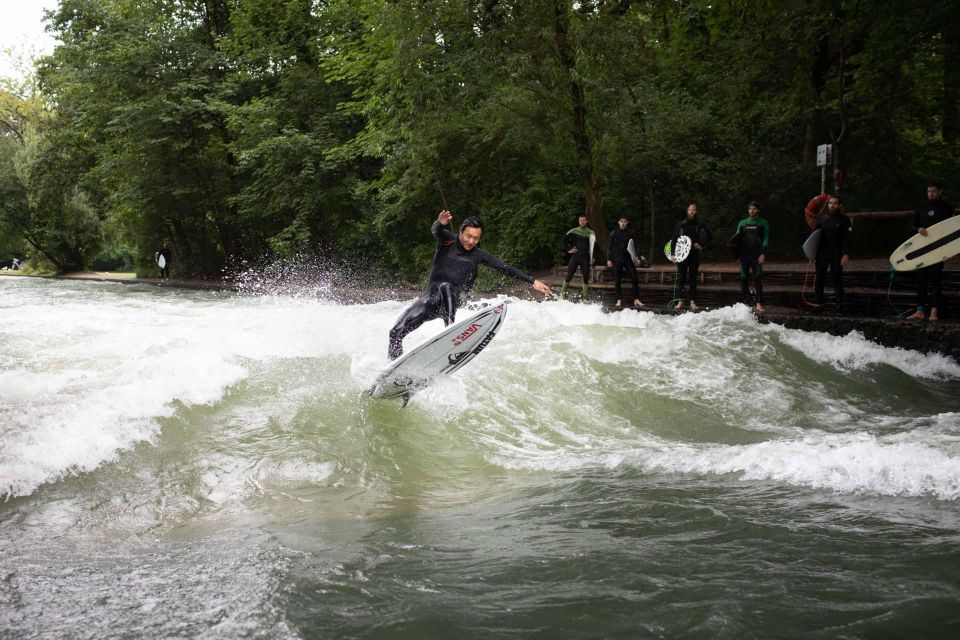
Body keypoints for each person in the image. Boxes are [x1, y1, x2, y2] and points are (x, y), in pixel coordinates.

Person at [387, 210, 552, 360]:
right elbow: (435, 230)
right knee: (395, 333)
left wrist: (532, 281)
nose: (471, 241)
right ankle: (392, 368)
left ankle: (450, 331)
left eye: (476, 238)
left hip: (449, 304)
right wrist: (440, 223)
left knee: (446, 286)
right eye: (468, 236)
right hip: (428, 301)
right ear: (460, 232)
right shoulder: (447, 241)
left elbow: (505, 268)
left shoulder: (478, 255)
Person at [907, 181, 955, 321]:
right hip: (922, 250)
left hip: (938, 251)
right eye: (928, 191)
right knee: (921, 280)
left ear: (940, 191)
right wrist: (918, 229)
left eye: (933, 191)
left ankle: (934, 312)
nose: (931, 194)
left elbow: (951, 234)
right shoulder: (921, 206)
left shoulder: (947, 209)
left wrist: (950, 252)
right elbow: (910, 227)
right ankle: (920, 311)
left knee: (936, 281)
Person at [670, 203, 712, 311]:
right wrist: (673, 255)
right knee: (681, 278)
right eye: (690, 210)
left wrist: (702, 245)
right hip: (682, 255)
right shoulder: (681, 224)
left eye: (694, 210)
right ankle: (680, 301)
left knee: (693, 278)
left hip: (694, 255)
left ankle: (692, 302)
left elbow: (710, 237)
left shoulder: (700, 224)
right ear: (687, 211)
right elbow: (674, 239)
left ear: (696, 211)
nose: (692, 211)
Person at [814, 195, 852, 311]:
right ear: (828, 204)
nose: (832, 205)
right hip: (822, 254)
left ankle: (839, 305)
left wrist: (846, 254)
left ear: (839, 205)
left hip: (837, 253)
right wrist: (811, 254)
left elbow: (849, 238)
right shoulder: (821, 219)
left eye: (835, 203)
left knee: (837, 278)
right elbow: (815, 238)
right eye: (830, 203)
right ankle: (818, 304)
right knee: (820, 278)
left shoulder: (845, 220)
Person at [735, 201, 769, 314]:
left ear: (758, 210)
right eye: (750, 209)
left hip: (757, 255)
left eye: (754, 209)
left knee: (758, 278)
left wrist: (763, 253)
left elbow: (766, 239)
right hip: (744, 255)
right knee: (743, 278)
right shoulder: (742, 223)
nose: (752, 211)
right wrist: (737, 255)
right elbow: (736, 241)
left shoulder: (763, 222)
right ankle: (747, 302)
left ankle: (759, 303)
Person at [606, 216, 643, 308]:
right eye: (621, 221)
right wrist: (608, 259)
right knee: (617, 279)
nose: (623, 223)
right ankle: (619, 299)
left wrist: (638, 257)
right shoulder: (614, 233)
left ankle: (636, 299)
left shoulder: (631, 232)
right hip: (616, 258)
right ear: (618, 222)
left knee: (634, 277)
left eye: (625, 221)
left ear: (627, 222)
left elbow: (636, 245)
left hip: (628, 258)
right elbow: (609, 247)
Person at [560, 215, 595, 301]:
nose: (582, 222)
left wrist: (593, 256)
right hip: (575, 257)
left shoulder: (591, 233)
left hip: (585, 258)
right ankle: (562, 294)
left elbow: (593, 246)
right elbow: (564, 240)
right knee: (569, 275)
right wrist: (569, 250)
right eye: (580, 220)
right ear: (579, 221)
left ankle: (585, 298)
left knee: (586, 277)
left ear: (586, 221)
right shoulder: (574, 231)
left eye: (584, 220)